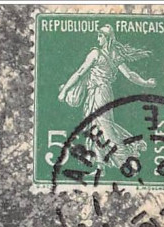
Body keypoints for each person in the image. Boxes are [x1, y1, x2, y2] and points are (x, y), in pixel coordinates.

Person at [58, 26, 155, 168]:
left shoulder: (95, 53)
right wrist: (145, 83)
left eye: (100, 36)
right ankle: (100, 166)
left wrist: (64, 90)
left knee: (105, 128)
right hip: (101, 93)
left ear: (107, 37)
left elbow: (80, 73)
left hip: (99, 94)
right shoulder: (115, 55)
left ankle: (124, 160)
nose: (98, 39)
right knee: (94, 128)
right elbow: (130, 75)